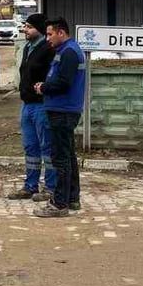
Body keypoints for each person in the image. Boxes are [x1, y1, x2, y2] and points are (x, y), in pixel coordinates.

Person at [32, 17, 86, 218]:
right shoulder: (64, 51)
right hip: (62, 109)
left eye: (50, 34)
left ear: (61, 33)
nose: (47, 38)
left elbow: (64, 82)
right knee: (68, 155)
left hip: (64, 111)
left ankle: (59, 203)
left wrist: (43, 87)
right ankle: (72, 198)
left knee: (61, 158)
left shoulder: (70, 52)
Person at [7, 13, 58, 202]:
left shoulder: (48, 49)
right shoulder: (28, 47)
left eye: (29, 27)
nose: (25, 30)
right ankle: (30, 185)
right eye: (25, 27)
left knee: (47, 147)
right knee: (30, 147)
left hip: (42, 105)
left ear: (40, 29)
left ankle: (50, 187)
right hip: (27, 104)